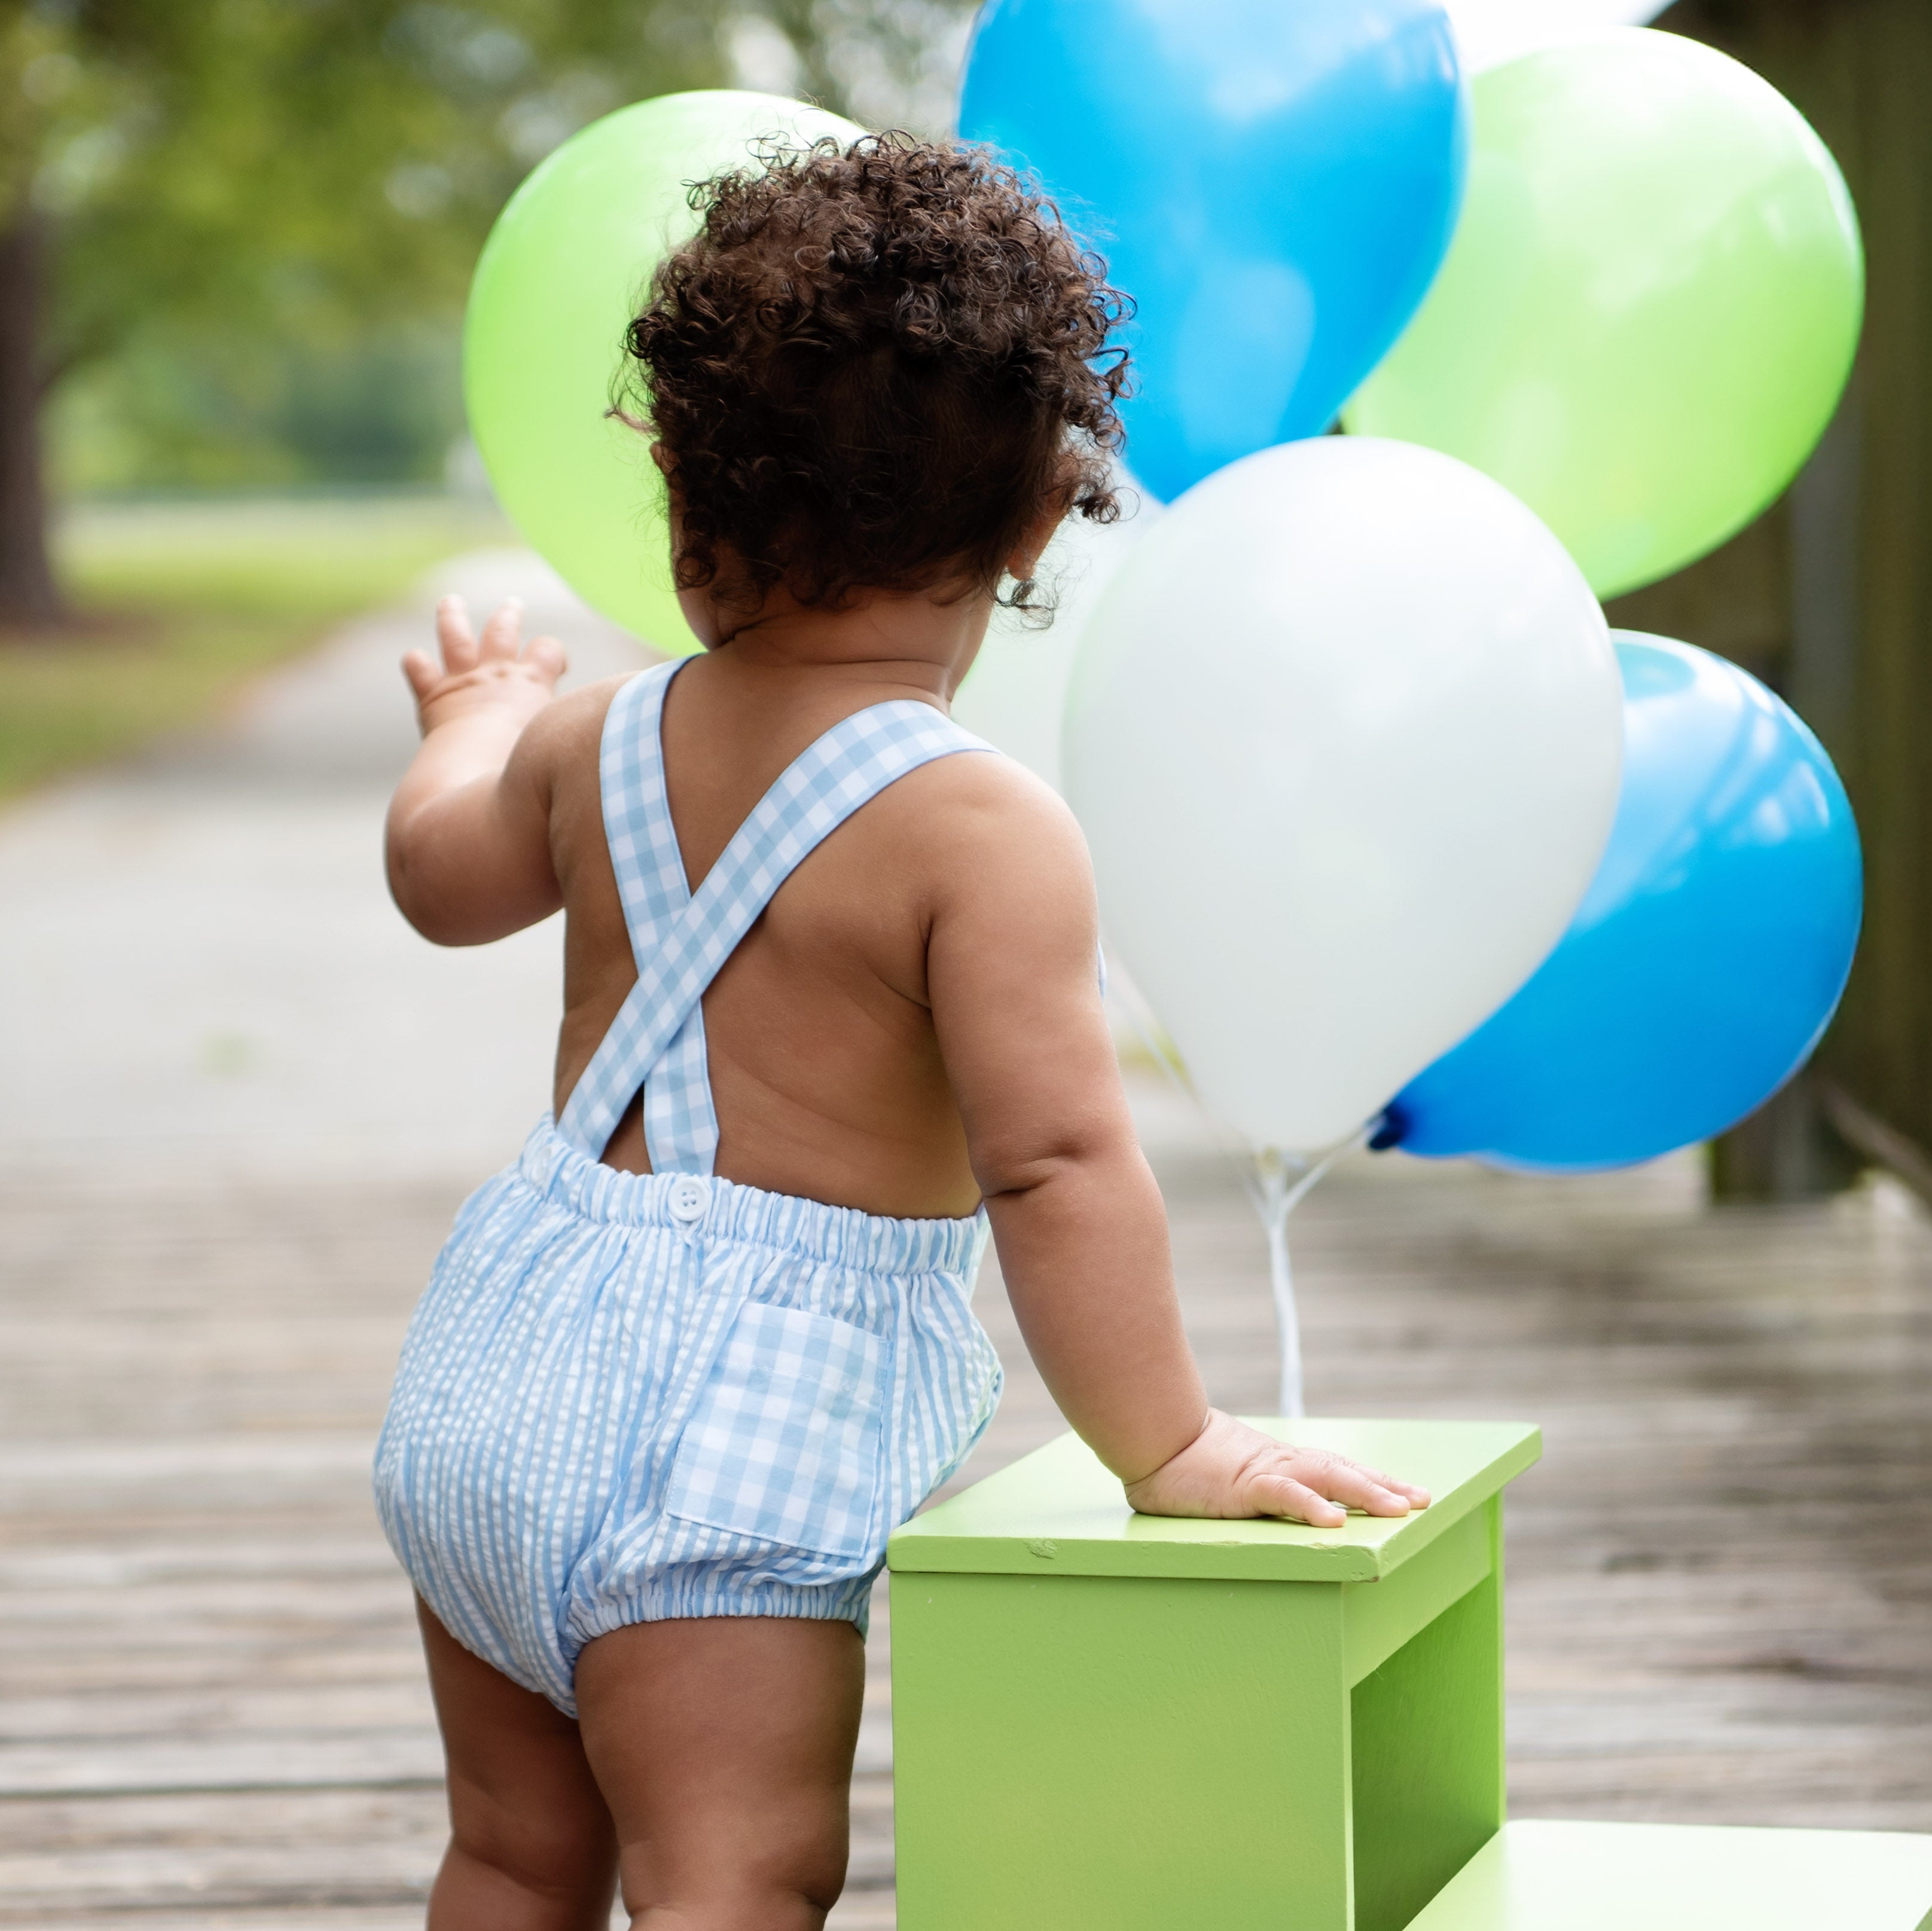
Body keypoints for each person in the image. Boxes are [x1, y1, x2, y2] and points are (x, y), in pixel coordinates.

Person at [375, 133, 1429, 1931]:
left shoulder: (597, 739)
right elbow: (1055, 1162)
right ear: (1032, 530)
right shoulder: (976, 825)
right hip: (730, 1452)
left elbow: (440, 881)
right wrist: (1166, 1444)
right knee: (734, 1877)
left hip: (493, 1388)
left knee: (513, 1855)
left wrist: (473, 717)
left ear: (694, 524)